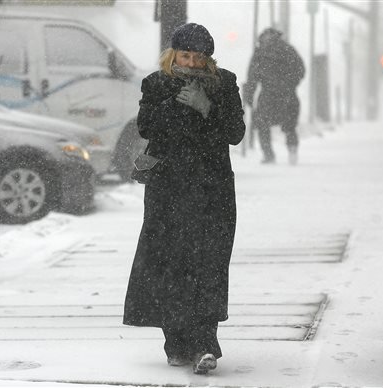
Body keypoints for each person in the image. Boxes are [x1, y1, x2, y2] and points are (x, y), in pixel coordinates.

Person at [123, 23, 245, 375]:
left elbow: (235, 133)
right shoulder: (156, 83)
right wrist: (179, 107)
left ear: (209, 58)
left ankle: (206, 345)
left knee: (209, 263)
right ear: (173, 54)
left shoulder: (224, 84)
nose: (192, 63)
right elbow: (147, 126)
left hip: (213, 190)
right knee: (170, 263)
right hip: (168, 189)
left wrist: (207, 106)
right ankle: (176, 342)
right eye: (186, 55)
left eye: (199, 57)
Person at [244, 27, 305, 164]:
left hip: (268, 95)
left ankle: (268, 155)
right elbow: (301, 70)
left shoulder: (260, 53)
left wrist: (249, 95)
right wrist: (291, 83)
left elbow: (252, 77)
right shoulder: (288, 50)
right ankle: (292, 149)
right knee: (289, 125)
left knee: (262, 124)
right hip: (287, 94)